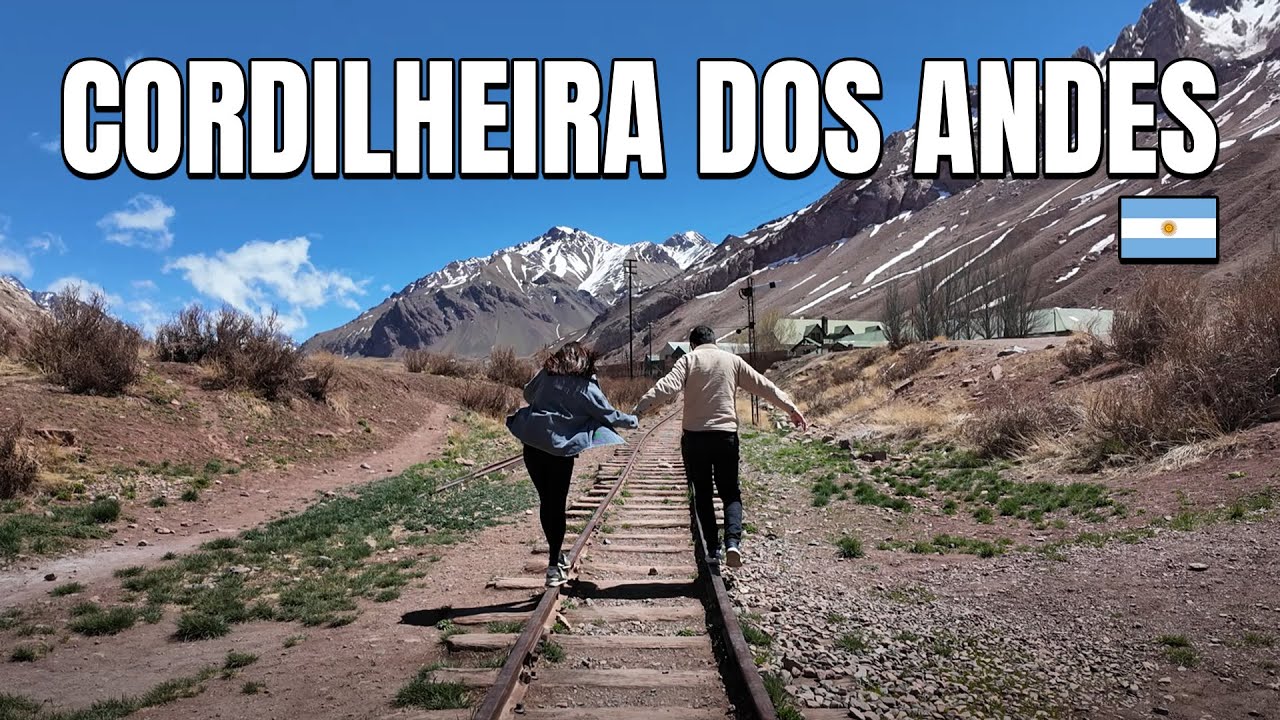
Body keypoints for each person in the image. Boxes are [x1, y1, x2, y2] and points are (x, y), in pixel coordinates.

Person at [633, 326, 806, 568]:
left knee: (703, 494)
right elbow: (763, 385)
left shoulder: (688, 360)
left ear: (693, 344)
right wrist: (790, 408)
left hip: (695, 439)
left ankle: (713, 549)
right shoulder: (732, 361)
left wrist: (638, 411)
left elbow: (666, 387)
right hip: (726, 437)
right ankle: (733, 543)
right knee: (730, 492)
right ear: (714, 341)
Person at [506, 342, 638, 587]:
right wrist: (633, 420)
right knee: (556, 504)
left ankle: (556, 556)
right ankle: (553, 567)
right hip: (559, 451)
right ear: (584, 361)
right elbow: (608, 414)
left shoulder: (546, 375)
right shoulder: (585, 387)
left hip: (532, 445)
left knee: (547, 502)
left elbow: (528, 395)